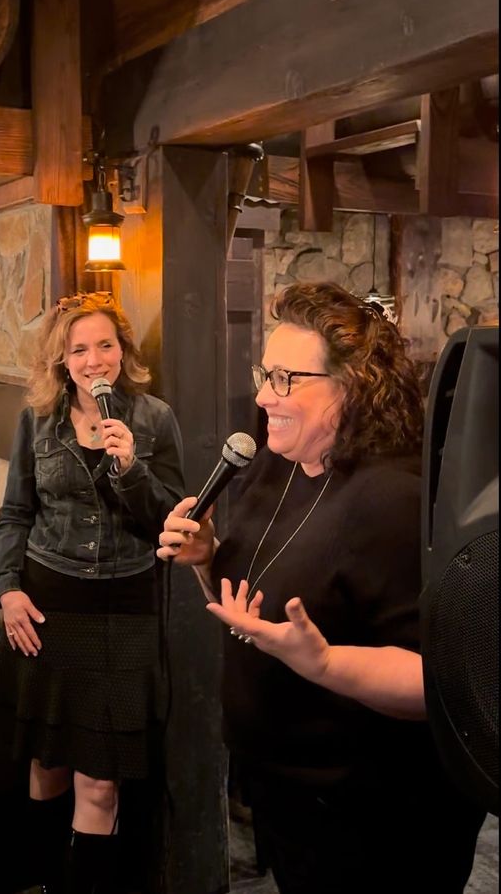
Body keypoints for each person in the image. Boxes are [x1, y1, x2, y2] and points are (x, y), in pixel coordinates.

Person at [157, 282, 486, 894]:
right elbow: (254, 600)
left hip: (378, 819)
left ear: (353, 386)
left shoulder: (394, 498)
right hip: (288, 797)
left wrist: (327, 662)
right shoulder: (276, 463)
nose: (261, 395)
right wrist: (207, 557)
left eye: (285, 378)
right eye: (265, 373)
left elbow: (441, 682)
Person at [0, 291, 185, 894]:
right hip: (47, 604)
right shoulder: (35, 421)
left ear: (123, 352)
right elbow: (14, 513)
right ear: (61, 361)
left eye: (105, 345)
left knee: (101, 782)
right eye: (80, 349)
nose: (95, 359)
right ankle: (43, 880)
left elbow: (174, 521)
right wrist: (6, 591)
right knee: (47, 766)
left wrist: (131, 469)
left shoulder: (153, 420)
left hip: (124, 613)